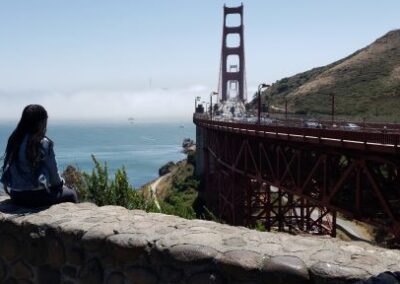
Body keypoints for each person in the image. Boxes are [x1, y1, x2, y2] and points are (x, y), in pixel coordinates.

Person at [0, 104, 78, 207]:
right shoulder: (43, 143)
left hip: (16, 195)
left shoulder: (15, 140)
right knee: (71, 194)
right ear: (41, 122)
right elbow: (54, 179)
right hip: (36, 197)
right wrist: (62, 185)